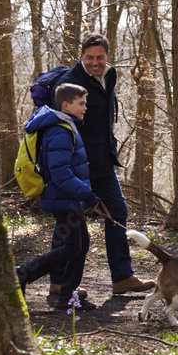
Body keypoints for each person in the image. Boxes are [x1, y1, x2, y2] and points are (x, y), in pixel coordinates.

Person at [48, 33, 154, 296]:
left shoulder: (109, 75)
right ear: (81, 56)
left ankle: (122, 277)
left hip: (103, 162)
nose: (95, 62)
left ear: (107, 55)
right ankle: (59, 281)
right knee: (70, 219)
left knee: (117, 212)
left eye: (100, 57)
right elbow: (60, 126)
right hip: (77, 164)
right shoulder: (69, 83)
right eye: (89, 57)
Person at [16, 84, 100, 311]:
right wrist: (88, 195)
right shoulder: (60, 130)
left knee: (80, 247)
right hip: (64, 198)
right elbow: (61, 173)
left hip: (69, 198)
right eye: (81, 103)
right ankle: (22, 273)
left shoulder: (65, 126)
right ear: (66, 105)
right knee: (73, 248)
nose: (85, 107)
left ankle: (67, 297)